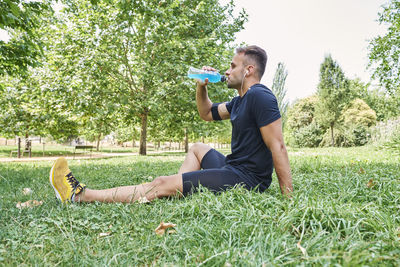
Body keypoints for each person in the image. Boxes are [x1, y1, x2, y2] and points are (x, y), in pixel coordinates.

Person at [49, 45, 293, 204]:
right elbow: (206, 113)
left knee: (160, 183)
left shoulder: (260, 96)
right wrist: (201, 85)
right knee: (197, 148)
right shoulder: (239, 101)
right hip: (233, 167)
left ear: (249, 70)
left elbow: (278, 147)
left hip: (247, 180)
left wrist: (288, 199)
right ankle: (175, 189)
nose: (227, 71)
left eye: (232, 66)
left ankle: (80, 196)